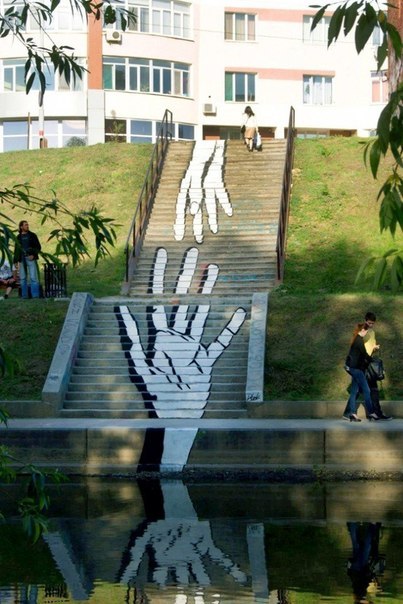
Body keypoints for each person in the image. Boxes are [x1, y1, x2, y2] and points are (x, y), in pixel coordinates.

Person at [343, 312, 392, 421]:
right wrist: (368, 358)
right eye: (369, 323)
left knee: (370, 389)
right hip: (362, 364)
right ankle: (367, 413)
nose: (371, 325)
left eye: (373, 323)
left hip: (366, 363)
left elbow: (369, 347)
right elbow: (361, 349)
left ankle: (374, 413)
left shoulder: (372, 332)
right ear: (365, 321)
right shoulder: (361, 333)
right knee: (364, 390)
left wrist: (374, 348)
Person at [344, 323, 381, 422]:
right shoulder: (359, 341)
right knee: (367, 390)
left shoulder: (356, 339)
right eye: (366, 331)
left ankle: (352, 414)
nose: (366, 333)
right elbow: (365, 355)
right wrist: (373, 358)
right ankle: (371, 413)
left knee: (354, 391)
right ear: (362, 330)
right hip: (356, 369)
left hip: (353, 368)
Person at [13, 220, 41, 299]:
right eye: (25, 225)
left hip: (30, 258)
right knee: (22, 278)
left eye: (27, 225)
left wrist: (33, 255)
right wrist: (15, 261)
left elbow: (38, 247)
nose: (27, 226)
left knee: (33, 277)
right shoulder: (18, 237)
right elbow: (16, 250)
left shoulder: (32, 235)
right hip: (21, 259)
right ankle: (24, 295)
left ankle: (35, 295)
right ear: (21, 227)